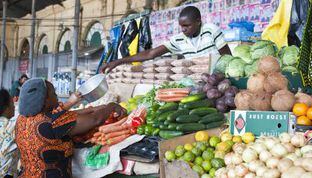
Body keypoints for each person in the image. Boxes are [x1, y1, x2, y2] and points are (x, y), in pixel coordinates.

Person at [15, 78, 126, 178]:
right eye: (53, 94)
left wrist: (96, 109)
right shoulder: (52, 122)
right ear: (45, 100)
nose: (57, 97)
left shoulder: (21, 119)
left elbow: (70, 114)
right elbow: (94, 120)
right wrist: (112, 106)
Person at [100, 6, 232, 73]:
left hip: (217, 79)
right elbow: (151, 54)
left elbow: (227, 57)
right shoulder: (179, 39)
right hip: (198, 81)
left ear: (198, 21)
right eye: (181, 26)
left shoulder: (210, 30)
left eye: (187, 26)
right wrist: (118, 61)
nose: (183, 29)